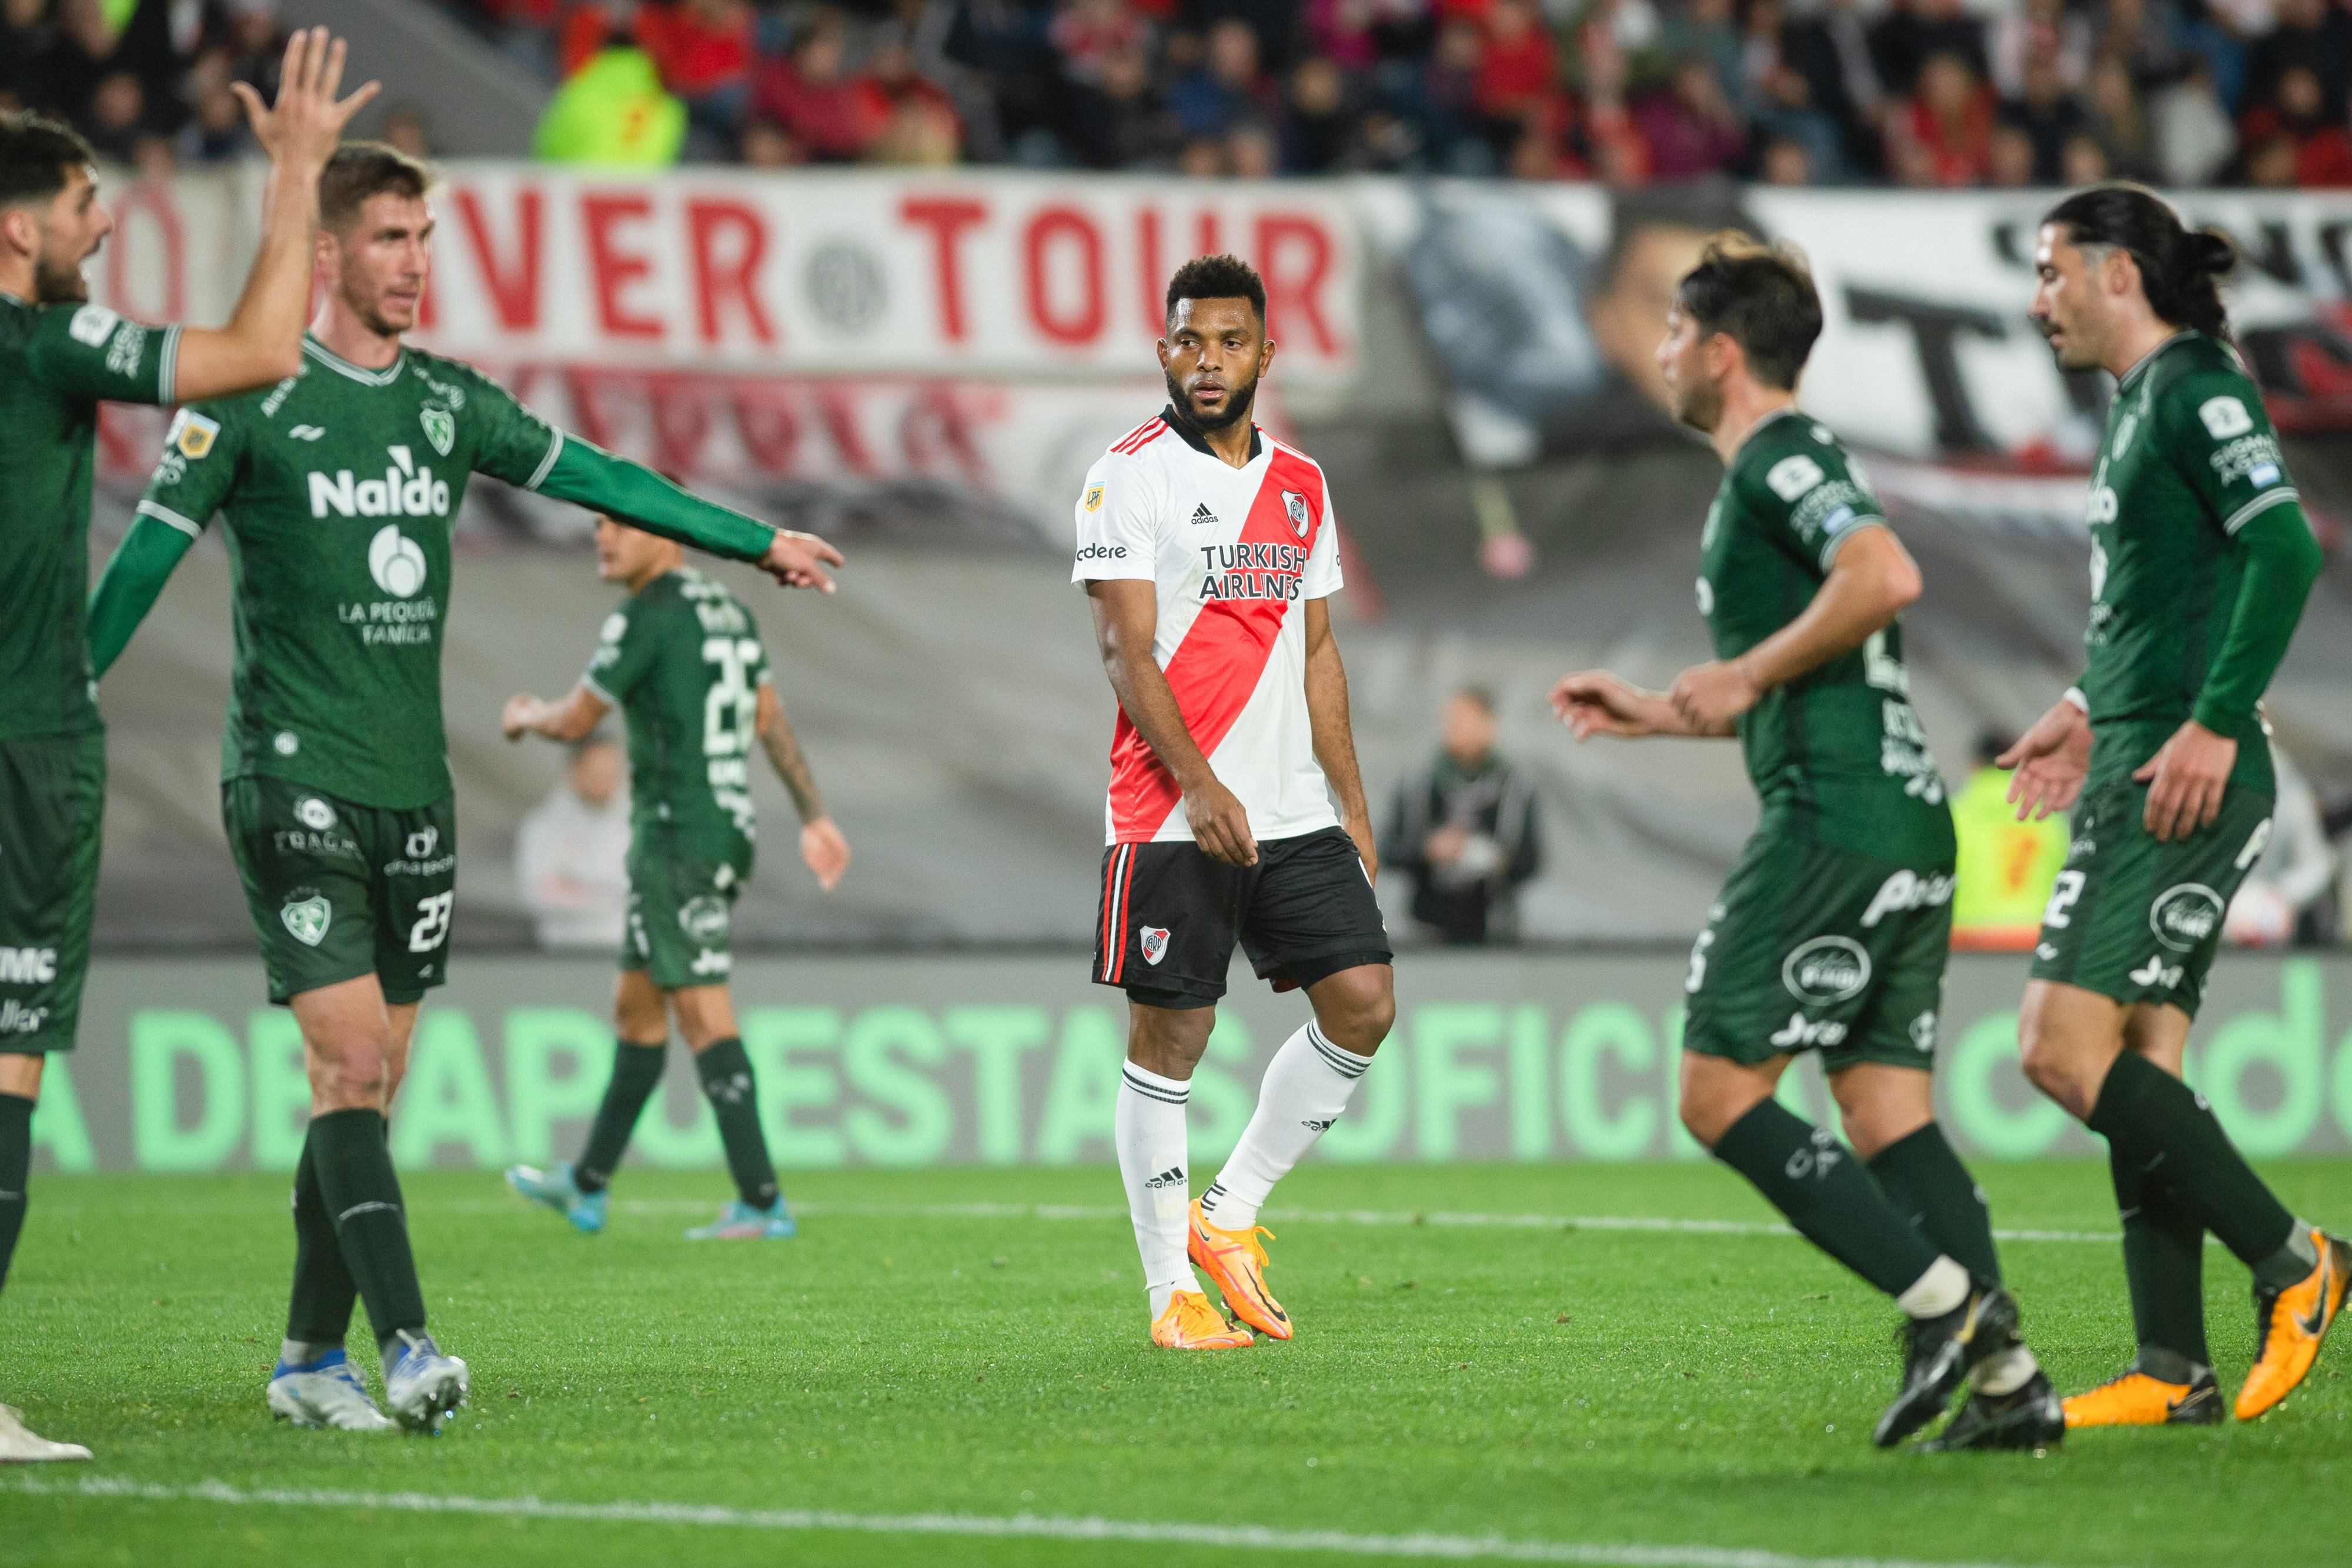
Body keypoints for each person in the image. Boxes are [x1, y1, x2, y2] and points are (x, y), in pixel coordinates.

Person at [84, 142, 844, 1436]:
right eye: (389, 238)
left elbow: (604, 477)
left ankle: (306, 1358)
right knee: (352, 1057)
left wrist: (753, 537)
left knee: (362, 1094)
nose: (415, 262)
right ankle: (411, 1344)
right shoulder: (246, 403)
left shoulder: (445, 403)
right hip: (290, 776)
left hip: (412, 797)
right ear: (325, 256)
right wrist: (58, 692)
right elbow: (145, 560)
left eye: (424, 238)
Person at [1552, 234, 2060, 1453]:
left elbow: (1881, 575)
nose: (1659, 352)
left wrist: (1737, 668)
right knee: (1884, 1111)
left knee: (1716, 1090)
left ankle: (1942, 1304)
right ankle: (2011, 1389)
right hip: (1896, 810)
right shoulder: (1788, 464)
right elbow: (1799, 668)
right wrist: (1666, 708)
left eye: (1673, 333)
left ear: (1720, 354)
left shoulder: (1777, 456)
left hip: (1833, 819)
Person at [0, 32, 373, 1465]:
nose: (106, 223)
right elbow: (261, 355)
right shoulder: (47, 338)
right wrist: (289, 179)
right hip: (26, 744)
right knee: (10, 1062)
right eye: (88, 203)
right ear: (23, 229)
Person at [2004, 183, 2339, 1430]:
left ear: (2115, 274)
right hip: (2133, 748)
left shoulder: (2195, 387)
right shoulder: (2141, 401)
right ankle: (2168, 1364)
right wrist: (2082, 702)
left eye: (2049, 272)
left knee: (2053, 1047)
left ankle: (2295, 1258)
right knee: (2140, 1057)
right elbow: (2157, 598)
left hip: (2180, 770)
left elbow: (2283, 547)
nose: (2036, 299)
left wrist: (2206, 719)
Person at [1077, 254, 1394, 1352]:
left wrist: (1351, 800)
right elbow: (1123, 648)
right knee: (1175, 1034)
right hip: (1170, 810)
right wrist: (1199, 783)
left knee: (1363, 1003)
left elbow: (1315, 651)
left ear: (1266, 353)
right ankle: (1171, 1288)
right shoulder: (1129, 476)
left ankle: (1230, 1214)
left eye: (1229, 342)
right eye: (1188, 342)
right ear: (1162, 351)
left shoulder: (1301, 482)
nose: (1207, 361)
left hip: (1292, 806)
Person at [500, 514, 850, 1240]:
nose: (602, 536)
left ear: (665, 533)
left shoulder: (646, 616)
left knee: (699, 1012)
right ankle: (588, 1184)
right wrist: (812, 814)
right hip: (715, 830)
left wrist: (529, 714)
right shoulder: (729, 610)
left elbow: (575, 723)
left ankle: (761, 1199)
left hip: (679, 838)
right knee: (636, 1007)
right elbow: (769, 716)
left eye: (619, 523)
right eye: (595, 523)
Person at [1382, 688, 1541, 945]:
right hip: (1427, 925)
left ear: (1490, 725)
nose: (1456, 728)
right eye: (1452, 720)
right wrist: (1429, 849)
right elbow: (1389, 850)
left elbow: (1530, 861)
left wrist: (1494, 858)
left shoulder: (1516, 788)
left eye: (1467, 720)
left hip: (1493, 927)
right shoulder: (1418, 784)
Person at [1950, 731, 2069, 951]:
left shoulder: (1956, 814)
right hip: (2034, 940)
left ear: (1975, 766)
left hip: (1969, 942)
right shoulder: (2048, 816)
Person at [514, 734, 632, 950]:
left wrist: (577, 887)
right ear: (574, 772)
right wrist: (610, 897)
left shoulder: (639, 824)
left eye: (611, 774)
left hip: (624, 953)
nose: (606, 783)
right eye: (596, 774)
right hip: (564, 954)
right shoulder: (543, 828)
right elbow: (537, 895)